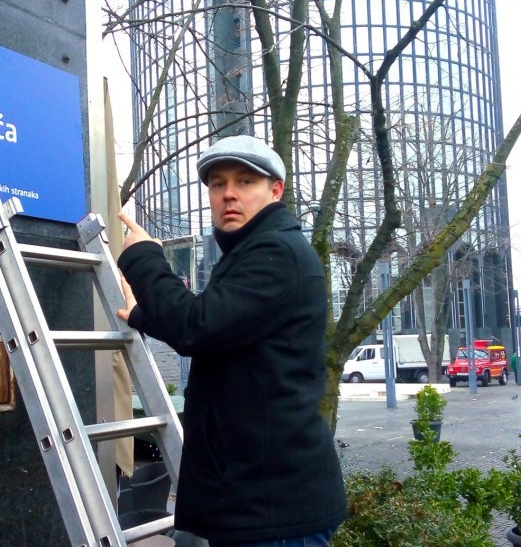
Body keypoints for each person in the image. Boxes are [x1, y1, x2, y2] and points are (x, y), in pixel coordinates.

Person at [115, 135, 347, 546]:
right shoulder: (253, 251)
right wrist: (142, 315)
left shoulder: (276, 253)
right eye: (218, 184)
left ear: (275, 190)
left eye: (245, 181)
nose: (229, 194)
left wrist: (144, 255)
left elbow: (196, 326)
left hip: (274, 512)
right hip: (260, 502)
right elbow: (221, 333)